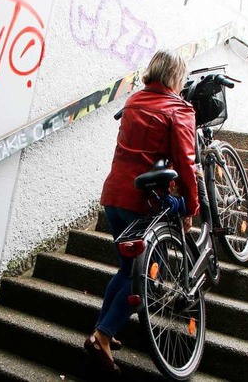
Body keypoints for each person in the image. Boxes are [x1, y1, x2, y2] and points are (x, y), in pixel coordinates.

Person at [84, 49, 201, 375]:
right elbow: (186, 164)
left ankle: (101, 329)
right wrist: (192, 207)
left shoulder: (134, 101)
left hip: (115, 196)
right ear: (177, 77)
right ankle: (103, 335)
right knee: (143, 276)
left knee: (125, 269)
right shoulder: (179, 109)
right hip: (144, 204)